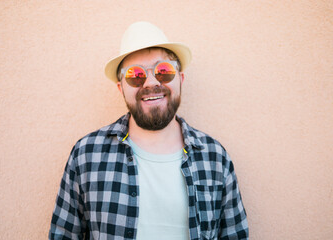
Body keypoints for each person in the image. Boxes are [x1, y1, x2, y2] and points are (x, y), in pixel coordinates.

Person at [49, 21, 249, 240]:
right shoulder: (86, 155)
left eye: (163, 71)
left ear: (180, 79)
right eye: (135, 75)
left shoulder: (215, 158)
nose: (151, 83)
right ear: (121, 88)